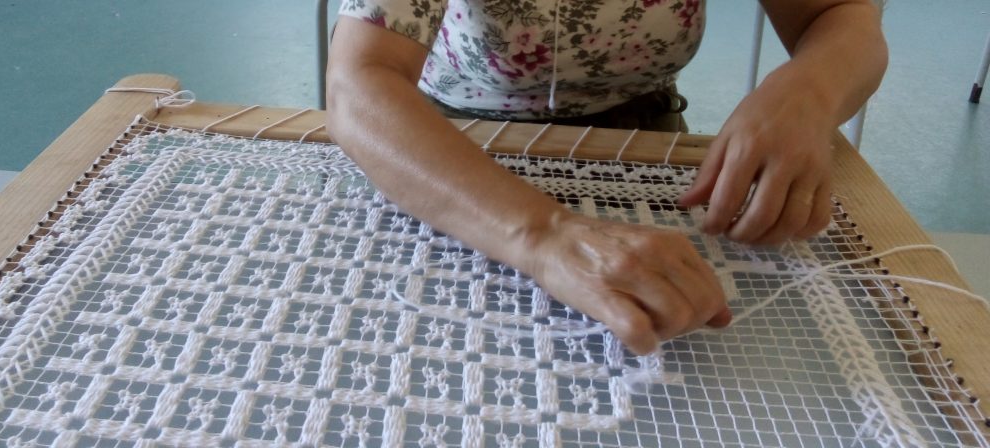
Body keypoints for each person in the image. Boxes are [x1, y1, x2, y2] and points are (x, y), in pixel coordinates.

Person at [325, 0, 888, 354]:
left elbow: (840, 18)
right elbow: (360, 83)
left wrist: (810, 90)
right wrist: (544, 236)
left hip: (644, 142)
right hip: (447, 155)